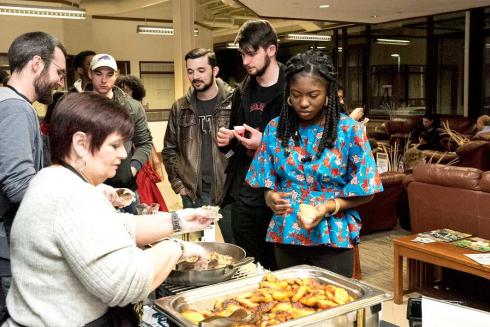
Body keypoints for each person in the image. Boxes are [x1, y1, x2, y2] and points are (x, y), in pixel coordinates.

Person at [3, 92, 215, 326]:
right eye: (114, 145)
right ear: (81, 143)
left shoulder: (53, 178)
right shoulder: (71, 196)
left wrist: (180, 220)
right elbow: (127, 283)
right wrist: (179, 247)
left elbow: (121, 226)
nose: (124, 154)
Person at [245, 50, 383, 277]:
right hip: (286, 233)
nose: (304, 103)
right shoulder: (275, 129)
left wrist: (328, 207)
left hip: (333, 238)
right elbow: (266, 181)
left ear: (328, 92)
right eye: (296, 94)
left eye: (313, 94)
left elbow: (367, 190)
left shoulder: (349, 131)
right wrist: (270, 197)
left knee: (335, 305)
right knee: (289, 305)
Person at [0, 31, 67, 315]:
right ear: (37, 64)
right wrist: (70, 194)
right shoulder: (16, 108)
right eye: (58, 72)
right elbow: (17, 185)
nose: (60, 81)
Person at [216, 20, 284, 269]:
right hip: (245, 192)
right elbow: (236, 137)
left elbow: (307, 144)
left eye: (251, 53)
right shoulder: (242, 91)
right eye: (242, 54)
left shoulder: (294, 89)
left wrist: (264, 142)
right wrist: (226, 142)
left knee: (280, 270)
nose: (245, 61)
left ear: (271, 50)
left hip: (280, 192)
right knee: (252, 267)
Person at [163, 48, 234, 244]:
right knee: (197, 252)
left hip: (228, 193)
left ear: (215, 70)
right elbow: (169, 149)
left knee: (236, 248)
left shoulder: (234, 102)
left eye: (201, 70)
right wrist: (179, 185)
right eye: (191, 71)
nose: (195, 76)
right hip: (193, 194)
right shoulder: (180, 107)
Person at [89, 54, 153, 214]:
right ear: (90, 74)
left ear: (116, 75)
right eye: (98, 74)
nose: (104, 80)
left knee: (129, 236)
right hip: (90, 189)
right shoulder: (79, 106)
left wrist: (132, 168)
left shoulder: (132, 107)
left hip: (124, 190)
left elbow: (144, 143)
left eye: (109, 74)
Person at [116, 75, 169, 212]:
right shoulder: (115, 106)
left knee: (142, 189)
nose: (124, 93)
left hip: (135, 156)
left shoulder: (135, 108)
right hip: (124, 156)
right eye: (122, 89)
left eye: (128, 90)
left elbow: (144, 140)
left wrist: (133, 167)